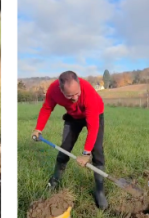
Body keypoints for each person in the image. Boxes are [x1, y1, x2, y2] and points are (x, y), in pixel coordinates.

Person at [31, 71, 107, 209]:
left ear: (79, 84)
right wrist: (38, 128)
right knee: (64, 149)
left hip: (95, 114)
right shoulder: (53, 90)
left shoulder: (88, 92)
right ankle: (55, 181)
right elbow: (47, 108)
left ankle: (100, 191)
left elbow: (93, 126)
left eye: (77, 93)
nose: (75, 97)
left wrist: (86, 153)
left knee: (97, 150)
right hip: (73, 117)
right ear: (61, 90)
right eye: (70, 95)